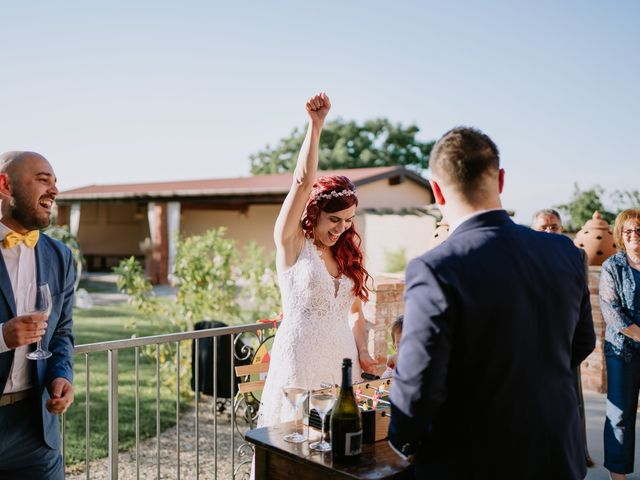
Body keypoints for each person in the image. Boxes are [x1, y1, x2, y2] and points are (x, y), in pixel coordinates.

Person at [388, 127, 595, 479]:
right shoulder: (565, 252)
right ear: (500, 179)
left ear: (437, 191)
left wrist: (402, 441)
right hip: (558, 452)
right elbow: (583, 342)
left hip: (476, 460)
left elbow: (419, 388)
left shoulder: (435, 268)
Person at [257, 93, 377, 428]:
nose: (342, 228)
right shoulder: (292, 242)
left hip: (343, 360)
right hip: (300, 359)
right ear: (315, 213)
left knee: (338, 441)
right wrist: (316, 125)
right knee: (294, 440)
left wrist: (363, 350)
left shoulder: (347, 254)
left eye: (349, 220)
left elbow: (355, 313)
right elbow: (301, 182)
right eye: (334, 220)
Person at [0, 151, 75, 479]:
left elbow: (62, 333)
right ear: (4, 184)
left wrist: (61, 376)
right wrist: (2, 336)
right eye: (43, 180)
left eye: (55, 182)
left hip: (36, 431)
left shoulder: (60, 256)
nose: (55, 190)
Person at [532, 208, 594, 468]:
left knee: (574, 400)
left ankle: (580, 450)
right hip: (534, 339)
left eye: (554, 227)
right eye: (544, 227)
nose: (549, 231)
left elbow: (582, 299)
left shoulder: (577, 256)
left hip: (568, 340)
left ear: (562, 229)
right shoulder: (527, 257)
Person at [599, 208, 640, 480]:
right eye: (628, 231)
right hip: (622, 351)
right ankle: (619, 476)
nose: (634, 235)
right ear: (621, 236)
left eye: (639, 230)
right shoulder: (612, 266)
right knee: (620, 415)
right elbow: (611, 310)